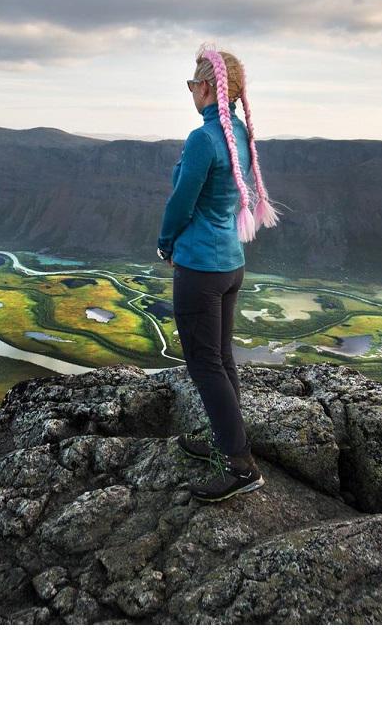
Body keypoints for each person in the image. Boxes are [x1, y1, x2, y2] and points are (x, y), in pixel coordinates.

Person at [156, 41, 281, 502]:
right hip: (231, 265)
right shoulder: (239, 137)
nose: (190, 91)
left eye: (192, 84)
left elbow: (180, 204)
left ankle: (240, 465)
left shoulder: (202, 139)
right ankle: (228, 441)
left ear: (207, 88)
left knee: (205, 365)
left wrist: (165, 243)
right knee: (222, 360)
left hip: (200, 268)